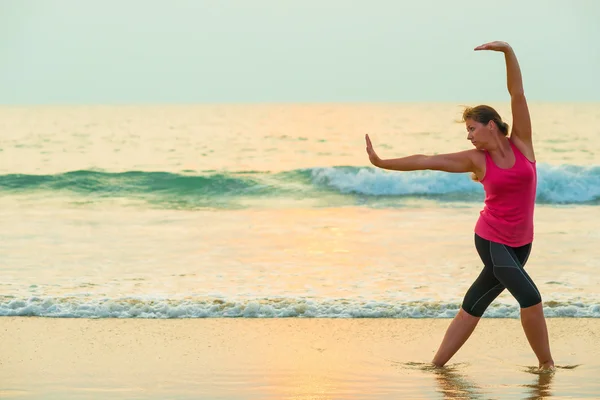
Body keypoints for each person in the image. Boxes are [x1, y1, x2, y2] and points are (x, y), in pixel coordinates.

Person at [365, 41, 554, 370]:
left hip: (522, 243)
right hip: (492, 238)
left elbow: (517, 95)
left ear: (490, 125)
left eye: (471, 128)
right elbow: (428, 160)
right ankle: (547, 366)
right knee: (531, 297)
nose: (468, 136)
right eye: (467, 130)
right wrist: (382, 162)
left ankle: (436, 364)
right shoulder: (476, 160)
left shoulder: (522, 144)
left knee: (474, 303)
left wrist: (508, 52)